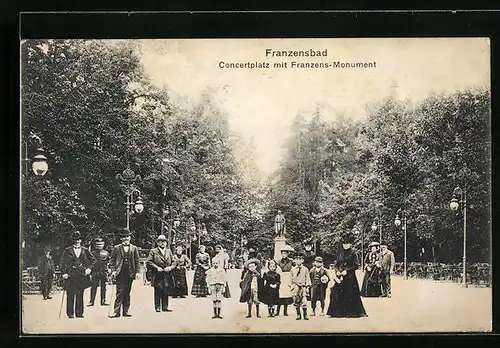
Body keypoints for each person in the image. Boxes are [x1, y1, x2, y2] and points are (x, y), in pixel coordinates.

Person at [326, 232, 368, 318]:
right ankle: (336, 313)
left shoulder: (353, 253)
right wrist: (337, 271)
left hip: (350, 278)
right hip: (340, 277)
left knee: (351, 294)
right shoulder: (340, 253)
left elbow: (356, 265)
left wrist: (347, 271)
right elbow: (337, 264)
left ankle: (352, 313)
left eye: (347, 244)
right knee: (336, 293)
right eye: (344, 244)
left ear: (350, 244)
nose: (345, 245)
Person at [60, 231, 95, 318]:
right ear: (73, 241)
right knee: (70, 294)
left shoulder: (85, 250)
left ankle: (79, 313)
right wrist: (64, 273)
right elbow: (62, 262)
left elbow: (93, 260)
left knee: (80, 294)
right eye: (75, 240)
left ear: (81, 240)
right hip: (70, 275)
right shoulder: (67, 250)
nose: (77, 241)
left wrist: (89, 268)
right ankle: (70, 313)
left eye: (78, 239)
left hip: (81, 275)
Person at [109, 228, 140, 318]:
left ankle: (125, 311)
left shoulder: (134, 248)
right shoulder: (116, 248)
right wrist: (113, 270)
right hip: (120, 272)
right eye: (124, 237)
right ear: (121, 238)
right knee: (119, 292)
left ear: (130, 238)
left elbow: (137, 261)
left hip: (130, 273)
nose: (126, 238)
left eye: (127, 237)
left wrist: (137, 272)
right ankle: (116, 312)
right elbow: (112, 260)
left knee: (127, 292)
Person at [146, 234, 176, 312]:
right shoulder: (153, 251)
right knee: (158, 290)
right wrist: (157, 267)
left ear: (166, 243)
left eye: (164, 242)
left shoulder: (169, 251)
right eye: (160, 242)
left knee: (166, 290)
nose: (162, 243)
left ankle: (165, 307)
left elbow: (174, 262)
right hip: (157, 274)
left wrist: (170, 267)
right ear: (157, 243)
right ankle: (157, 307)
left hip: (167, 273)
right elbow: (149, 261)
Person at [88, 237, 110, 306]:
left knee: (104, 287)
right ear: (95, 245)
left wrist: (108, 269)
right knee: (93, 287)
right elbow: (90, 262)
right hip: (95, 272)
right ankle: (91, 301)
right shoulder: (92, 253)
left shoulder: (106, 253)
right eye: (98, 244)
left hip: (103, 272)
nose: (99, 246)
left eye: (101, 244)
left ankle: (103, 301)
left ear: (103, 245)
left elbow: (109, 262)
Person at [290, 253, 312, 320]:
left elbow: (307, 278)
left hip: (303, 286)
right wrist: (291, 286)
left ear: (302, 260)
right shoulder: (292, 269)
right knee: (296, 301)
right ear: (294, 260)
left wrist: (307, 287)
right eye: (297, 259)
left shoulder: (305, 269)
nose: (298, 261)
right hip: (295, 286)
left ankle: (305, 314)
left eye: (300, 259)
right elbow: (290, 279)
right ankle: (298, 314)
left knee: (304, 301)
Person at [276, 245, 294, 316]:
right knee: (280, 294)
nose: (283, 255)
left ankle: (285, 311)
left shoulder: (291, 261)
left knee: (287, 294)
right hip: (281, 277)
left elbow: (295, 268)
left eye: (285, 253)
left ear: (288, 254)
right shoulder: (279, 261)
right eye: (282, 253)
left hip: (288, 277)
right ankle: (277, 311)